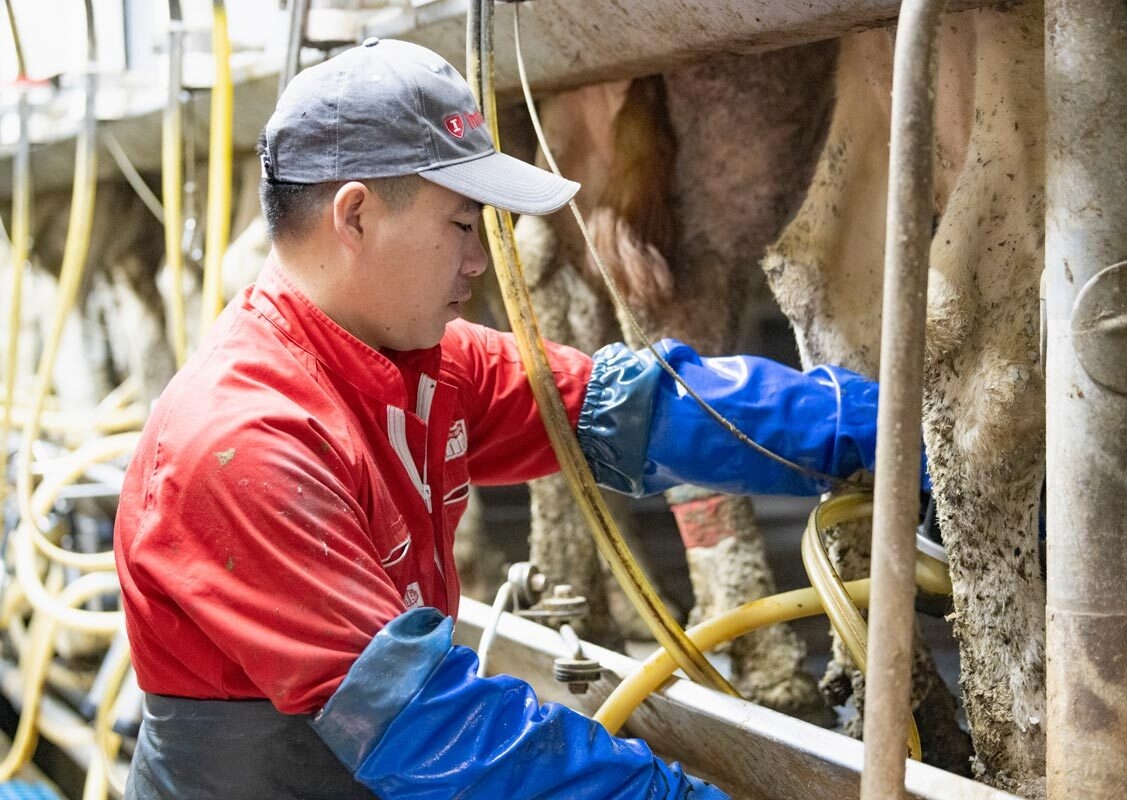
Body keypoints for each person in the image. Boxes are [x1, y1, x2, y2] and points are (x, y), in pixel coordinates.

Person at [114, 38, 887, 799]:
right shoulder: (245, 441)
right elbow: (437, 733)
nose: (482, 261)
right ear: (355, 218)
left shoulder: (420, 364)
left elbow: (641, 411)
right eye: (462, 224)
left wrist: (879, 432)